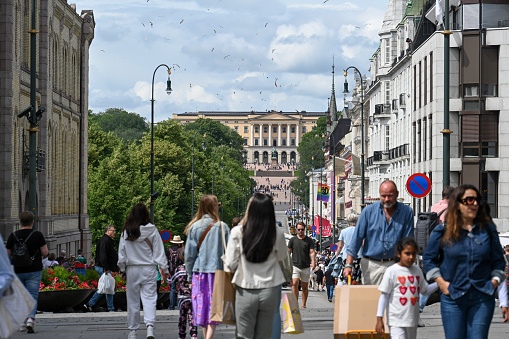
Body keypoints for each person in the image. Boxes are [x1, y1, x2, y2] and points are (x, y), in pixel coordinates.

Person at [423, 185, 508, 338]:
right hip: (453, 297)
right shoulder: (443, 230)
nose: (474, 204)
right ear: (458, 204)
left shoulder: (488, 229)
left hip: (482, 297)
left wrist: (494, 282)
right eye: (469, 200)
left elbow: (499, 262)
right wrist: (441, 282)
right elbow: (429, 259)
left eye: (477, 200)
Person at [223, 193, 287, 339]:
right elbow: (283, 257)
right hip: (269, 289)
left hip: (245, 288)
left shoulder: (237, 232)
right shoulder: (276, 233)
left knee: (243, 334)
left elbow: (230, 265)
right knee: (264, 335)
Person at [343, 180, 414, 285]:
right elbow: (356, 239)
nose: (386, 199)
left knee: (394, 300)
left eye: (390, 196)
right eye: (383, 196)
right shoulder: (368, 212)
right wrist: (348, 265)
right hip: (371, 266)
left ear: (397, 194)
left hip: (395, 264)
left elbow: (408, 242)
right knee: (372, 300)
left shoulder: (406, 212)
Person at [118, 203, 169, 339]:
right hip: (149, 269)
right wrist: (165, 268)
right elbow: (159, 251)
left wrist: (122, 268)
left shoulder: (126, 231)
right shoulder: (152, 230)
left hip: (132, 269)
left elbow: (122, 252)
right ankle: (150, 328)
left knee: (133, 300)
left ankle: (133, 331)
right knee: (150, 298)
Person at [184, 195, 230, 339]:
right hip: (217, 272)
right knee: (215, 307)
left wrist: (189, 274)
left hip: (199, 272)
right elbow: (229, 251)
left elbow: (189, 254)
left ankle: (206, 337)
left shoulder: (194, 226)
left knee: (202, 307)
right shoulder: (222, 226)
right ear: (213, 206)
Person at [376, 237, 438, 339]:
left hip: (412, 320)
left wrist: (439, 283)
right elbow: (384, 296)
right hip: (396, 320)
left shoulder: (417, 270)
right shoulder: (392, 271)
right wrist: (379, 318)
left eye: (413, 254)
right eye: (407, 253)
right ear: (399, 253)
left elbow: (425, 290)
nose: (411, 257)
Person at [6, 211, 48, 333]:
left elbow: (7, 253)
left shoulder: (13, 235)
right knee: (32, 296)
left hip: (18, 270)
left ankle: (22, 322)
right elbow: (45, 252)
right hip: (34, 270)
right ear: (32, 222)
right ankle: (30, 319)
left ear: (20, 221)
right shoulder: (37, 235)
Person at [85, 225, 119, 312]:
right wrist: (106, 267)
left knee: (107, 287)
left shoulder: (106, 240)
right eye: (113, 230)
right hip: (103, 267)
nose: (114, 232)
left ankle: (93, 304)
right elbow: (103, 255)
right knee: (105, 287)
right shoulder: (105, 241)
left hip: (104, 267)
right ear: (107, 231)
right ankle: (91, 304)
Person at [170, 247, 198, 338]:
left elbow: (172, 280)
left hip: (182, 298)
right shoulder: (194, 268)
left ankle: (181, 335)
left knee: (182, 317)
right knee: (192, 316)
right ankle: (193, 334)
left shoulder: (179, 269)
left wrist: (166, 277)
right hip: (193, 297)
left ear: (181, 257)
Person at [288, 221, 316, 308]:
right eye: (299, 229)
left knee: (304, 286)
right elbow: (288, 251)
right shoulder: (292, 240)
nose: (300, 231)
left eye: (302, 229)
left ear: (305, 230)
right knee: (295, 283)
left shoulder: (309, 240)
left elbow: (312, 252)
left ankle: (304, 304)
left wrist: (313, 262)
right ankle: (295, 303)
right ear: (296, 230)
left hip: (306, 265)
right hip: (295, 265)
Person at [336, 213, 362, 285]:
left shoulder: (344, 231)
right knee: (358, 278)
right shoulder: (359, 230)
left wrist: (336, 254)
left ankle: (348, 289)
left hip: (346, 257)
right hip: (359, 256)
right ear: (357, 221)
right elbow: (363, 244)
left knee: (347, 276)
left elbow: (340, 246)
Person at [167, 235, 184, 310]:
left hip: (171, 272)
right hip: (180, 271)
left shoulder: (169, 250)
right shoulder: (181, 250)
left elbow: (166, 260)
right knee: (180, 288)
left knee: (172, 289)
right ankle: (178, 306)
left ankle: (171, 306)